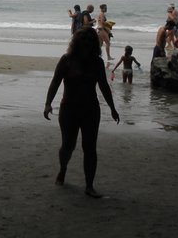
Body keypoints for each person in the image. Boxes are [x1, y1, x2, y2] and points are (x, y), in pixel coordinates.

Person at [43, 28, 120, 198]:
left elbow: (104, 86)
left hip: (91, 109)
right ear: (77, 42)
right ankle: (63, 169)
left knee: (90, 148)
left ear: (94, 43)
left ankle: (89, 186)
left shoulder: (97, 63)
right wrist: (48, 104)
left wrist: (113, 108)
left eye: (90, 40)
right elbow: (55, 82)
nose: (86, 43)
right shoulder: (67, 60)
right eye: (83, 40)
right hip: (69, 109)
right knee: (68, 146)